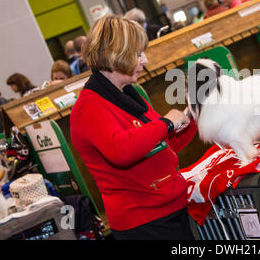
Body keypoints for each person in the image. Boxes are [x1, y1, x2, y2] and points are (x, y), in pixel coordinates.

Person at [70, 14, 198, 240]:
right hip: (145, 223)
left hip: (171, 208)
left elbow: (165, 144)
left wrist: (198, 113)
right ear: (115, 55)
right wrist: (167, 122)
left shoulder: (128, 93)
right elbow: (122, 151)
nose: (145, 60)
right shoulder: (89, 107)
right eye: (138, 54)